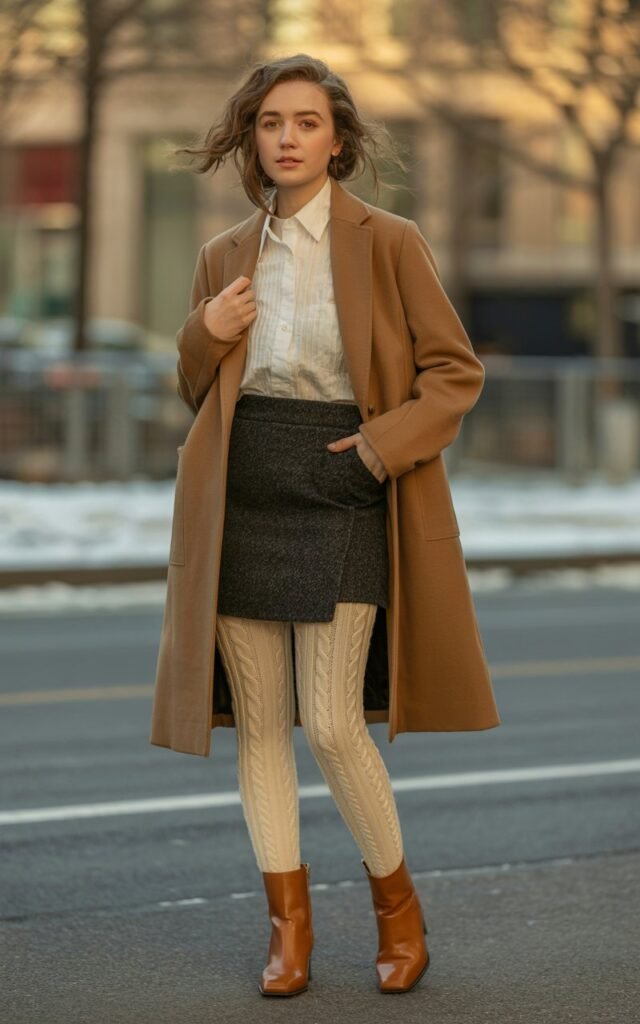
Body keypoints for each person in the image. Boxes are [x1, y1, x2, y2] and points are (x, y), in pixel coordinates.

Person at [151, 52, 501, 998]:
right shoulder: (224, 254)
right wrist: (204, 332)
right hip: (245, 490)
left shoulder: (389, 240)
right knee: (262, 725)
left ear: (337, 139)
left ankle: (398, 913)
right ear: (252, 139)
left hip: (343, 482)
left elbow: (454, 373)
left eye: (306, 122)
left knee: (338, 726)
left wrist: (382, 453)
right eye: (271, 123)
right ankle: (289, 931)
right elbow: (193, 388)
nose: (287, 138)